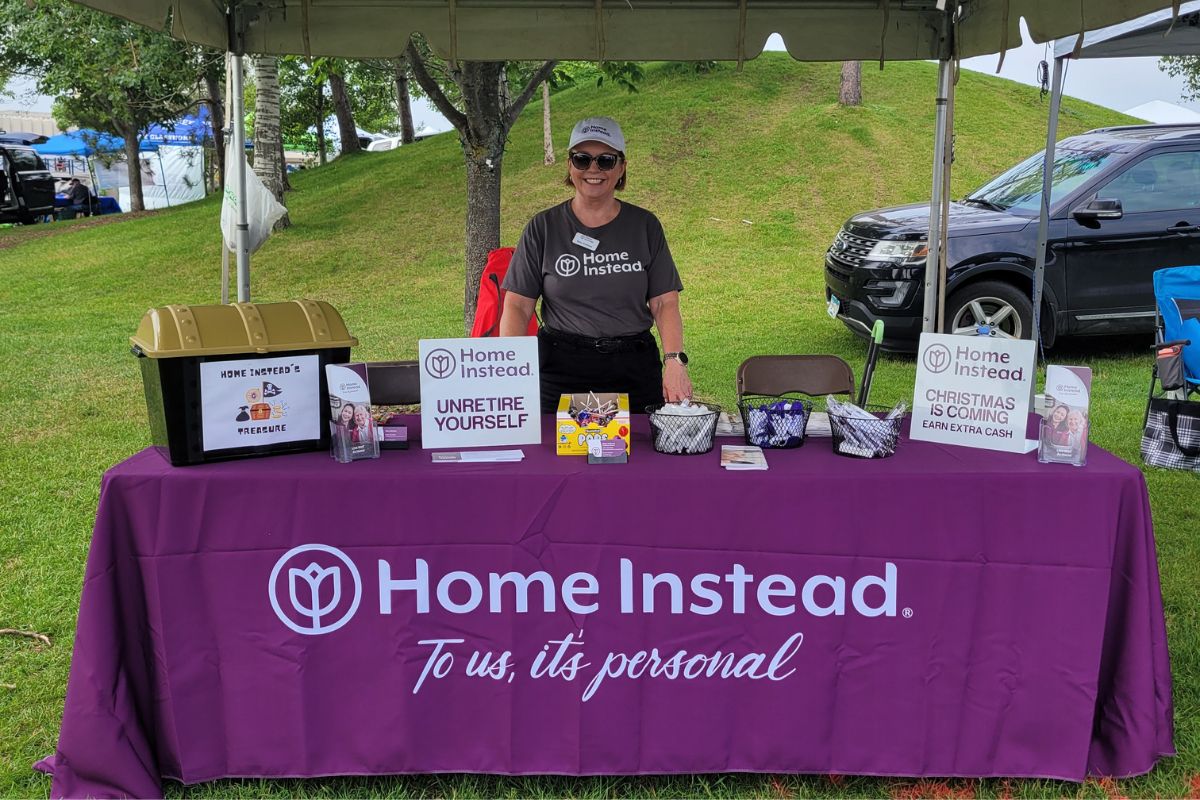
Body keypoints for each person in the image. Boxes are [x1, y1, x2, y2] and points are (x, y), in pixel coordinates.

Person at [499, 116, 691, 413]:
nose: (593, 169)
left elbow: (665, 302)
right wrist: (508, 368)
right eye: (582, 159)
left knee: (640, 457)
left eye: (605, 160)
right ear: (569, 165)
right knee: (556, 456)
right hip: (561, 368)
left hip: (633, 367)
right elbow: (518, 305)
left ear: (622, 167)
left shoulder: (645, 225)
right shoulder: (543, 227)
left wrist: (675, 361)